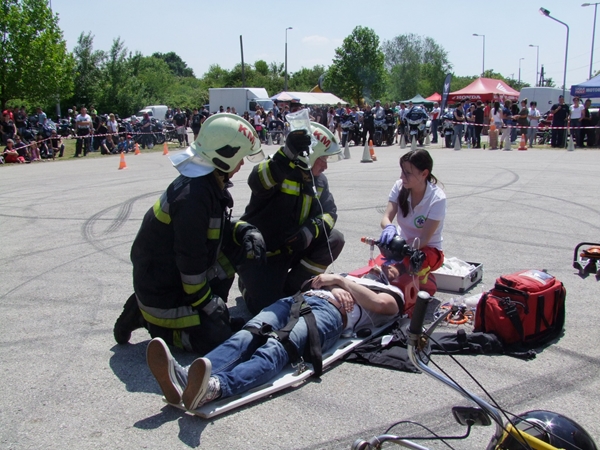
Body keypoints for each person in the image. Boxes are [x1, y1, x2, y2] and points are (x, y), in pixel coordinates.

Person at [113, 114, 267, 354]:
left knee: (240, 247)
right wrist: (208, 304)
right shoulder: (193, 197)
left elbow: (213, 230)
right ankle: (150, 320)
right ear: (225, 155)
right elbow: (190, 260)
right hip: (163, 290)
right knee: (216, 340)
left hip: (169, 276)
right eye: (240, 157)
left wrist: (245, 230)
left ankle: (202, 315)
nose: (242, 164)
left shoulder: (204, 182)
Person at [145, 268, 404, 411]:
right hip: (297, 300)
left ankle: (215, 387)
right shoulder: (350, 277)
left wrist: (337, 281)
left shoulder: (392, 292)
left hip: (329, 315)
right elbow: (312, 282)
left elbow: (381, 305)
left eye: (395, 267)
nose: (384, 266)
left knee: (277, 347)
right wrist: (337, 283)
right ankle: (185, 377)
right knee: (249, 334)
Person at [237, 122, 345, 315]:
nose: (326, 165)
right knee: (262, 309)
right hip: (266, 254)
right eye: (322, 159)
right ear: (310, 155)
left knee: (335, 239)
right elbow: (256, 181)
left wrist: (311, 230)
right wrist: (286, 155)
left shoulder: (319, 181)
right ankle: (246, 284)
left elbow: (330, 212)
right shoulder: (278, 169)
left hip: (292, 248)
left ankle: (294, 287)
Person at [379, 149, 446, 295]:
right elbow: (386, 218)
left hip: (427, 250)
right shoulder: (399, 187)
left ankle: (427, 283)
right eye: (402, 171)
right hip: (402, 245)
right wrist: (389, 228)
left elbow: (424, 239)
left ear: (424, 174)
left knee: (413, 262)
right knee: (379, 265)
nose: (401, 176)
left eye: (407, 173)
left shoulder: (437, 198)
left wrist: (400, 253)